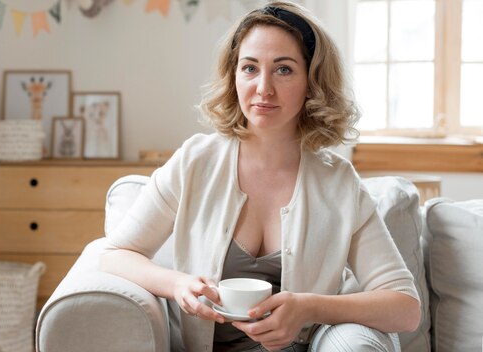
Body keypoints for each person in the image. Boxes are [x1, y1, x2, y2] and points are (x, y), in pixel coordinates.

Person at [100, 1, 421, 351]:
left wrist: (308, 307)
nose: (263, 88)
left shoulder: (338, 182)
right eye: (250, 68)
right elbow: (116, 253)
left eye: (283, 70)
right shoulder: (196, 161)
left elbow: (405, 308)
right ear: (234, 75)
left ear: (312, 83)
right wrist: (176, 284)